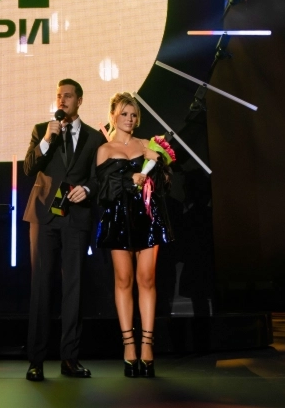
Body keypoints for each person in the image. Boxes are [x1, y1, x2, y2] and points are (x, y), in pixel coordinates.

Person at [22, 78, 106, 382]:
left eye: (68, 96)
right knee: (41, 287)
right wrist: (47, 138)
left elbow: (99, 178)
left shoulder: (94, 138)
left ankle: (70, 358)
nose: (62, 100)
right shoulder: (42, 130)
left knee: (74, 287)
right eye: (59, 95)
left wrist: (88, 188)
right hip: (44, 216)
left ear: (79, 100)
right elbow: (29, 168)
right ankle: (36, 361)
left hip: (76, 217)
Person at [94, 92, 175, 378]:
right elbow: (104, 190)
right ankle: (129, 346)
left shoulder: (146, 145)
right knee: (123, 280)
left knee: (147, 279)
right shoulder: (105, 149)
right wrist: (130, 179)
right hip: (118, 219)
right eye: (124, 114)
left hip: (147, 217)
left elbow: (163, 185)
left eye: (133, 115)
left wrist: (159, 164)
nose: (129, 119)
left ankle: (147, 347)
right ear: (113, 115)